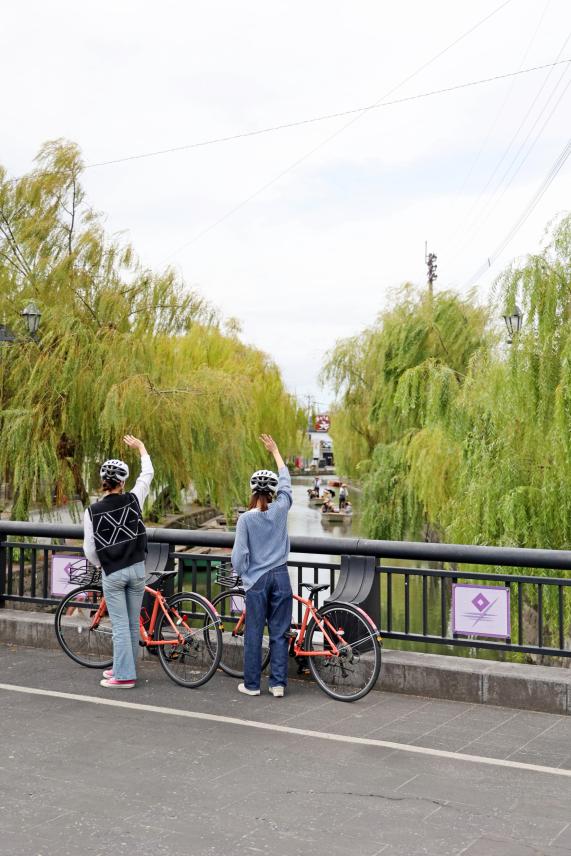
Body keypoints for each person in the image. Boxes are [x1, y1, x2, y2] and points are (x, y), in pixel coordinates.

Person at [83, 435, 154, 689]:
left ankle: (124, 677)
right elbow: (147, 475)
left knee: (121, 625)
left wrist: (101, 564)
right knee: (132, 623)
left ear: (103, 482)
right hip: (137, 569)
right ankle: (125, 667)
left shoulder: (92, 511)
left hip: (113, 572)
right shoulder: (134, 499)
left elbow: (89, 549)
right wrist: (141, 448)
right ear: (122, 482)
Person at [231, 434, 293, 698]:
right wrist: (275, 452)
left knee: (254, 633)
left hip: (256, 581)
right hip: (281, 576)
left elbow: (239, 557)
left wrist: (245, 573)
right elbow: (287, 485)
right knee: (280, 632)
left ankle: (252, 685)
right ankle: (278, 684)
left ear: (252, 491)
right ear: (273, 491)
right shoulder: (280, 509)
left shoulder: (245, 519)